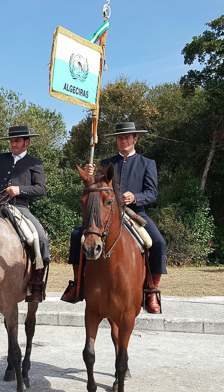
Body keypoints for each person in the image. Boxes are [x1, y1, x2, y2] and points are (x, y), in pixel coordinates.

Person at [61, 122, 167, 314]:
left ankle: (151, 290)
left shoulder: (147, 163)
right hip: (106, 215)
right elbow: (95, 189)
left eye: (127, 137)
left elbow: (152, 193)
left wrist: (136, 197)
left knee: (158, 242)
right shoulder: (106, 163)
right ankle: (77, 284)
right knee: (77, 235)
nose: (123, 140)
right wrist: (90, 176)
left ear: (135, 139)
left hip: (135, 213)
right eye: (120, 138)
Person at [0, 125, 50, 303]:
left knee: (41, 239)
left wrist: (19, 189)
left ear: (26, 142)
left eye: (16, 141)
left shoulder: (35, 162)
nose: (13, 144)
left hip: (19, 207)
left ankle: (36, 283)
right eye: (11, 141)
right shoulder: (1, 158)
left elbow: (41, 189)